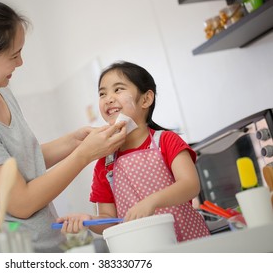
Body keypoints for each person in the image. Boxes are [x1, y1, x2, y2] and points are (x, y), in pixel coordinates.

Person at [0, 0, 127, 252]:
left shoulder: (1, 92)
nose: (20, 62)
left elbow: (21, 163)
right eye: (14, 55)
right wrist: (84, 154)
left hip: (49, 245)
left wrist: (74, 141)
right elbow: (21, 202)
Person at [56, 61, 211, 242]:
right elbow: (109, 220)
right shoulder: (105, 162)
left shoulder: (166, 141)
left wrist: (151, 202)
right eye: (102, 93)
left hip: (189, 245)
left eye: (118, 89)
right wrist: (89, 220)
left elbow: (190, 185)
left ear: (145, 99)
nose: (108, 98)